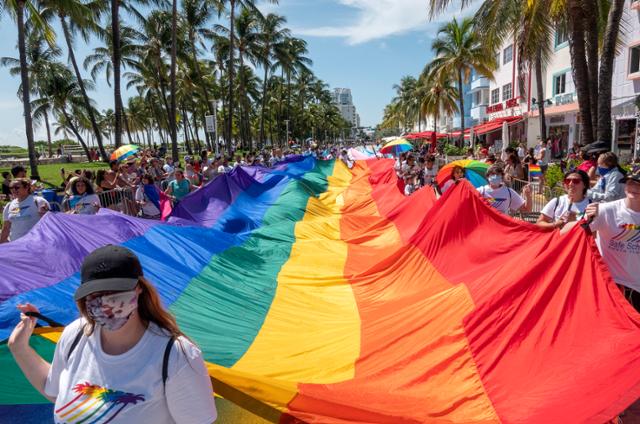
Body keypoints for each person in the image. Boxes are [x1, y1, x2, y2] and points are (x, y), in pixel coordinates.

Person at [7, 245, 218, 423]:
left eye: (114, 292)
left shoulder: (176, 355)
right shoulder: (75, 334)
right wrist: (18, 348)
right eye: (96, 295)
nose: (105, 304)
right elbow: (55, 391)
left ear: (139, 289)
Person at [585, 166, 640, 312]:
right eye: (630, 182)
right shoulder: (605, 210)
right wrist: (585, 219)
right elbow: (576, 234)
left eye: (639, 184)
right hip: (611, 284)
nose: (634, 187)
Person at [1, 178, 50, 243]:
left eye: (16, 187)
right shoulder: (9, 206)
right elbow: (6, 228)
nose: (13, 190)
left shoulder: (39, 201)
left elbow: (49, 224)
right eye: (11, 188)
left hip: (36, 243)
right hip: (17, 245)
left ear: (26, 187)